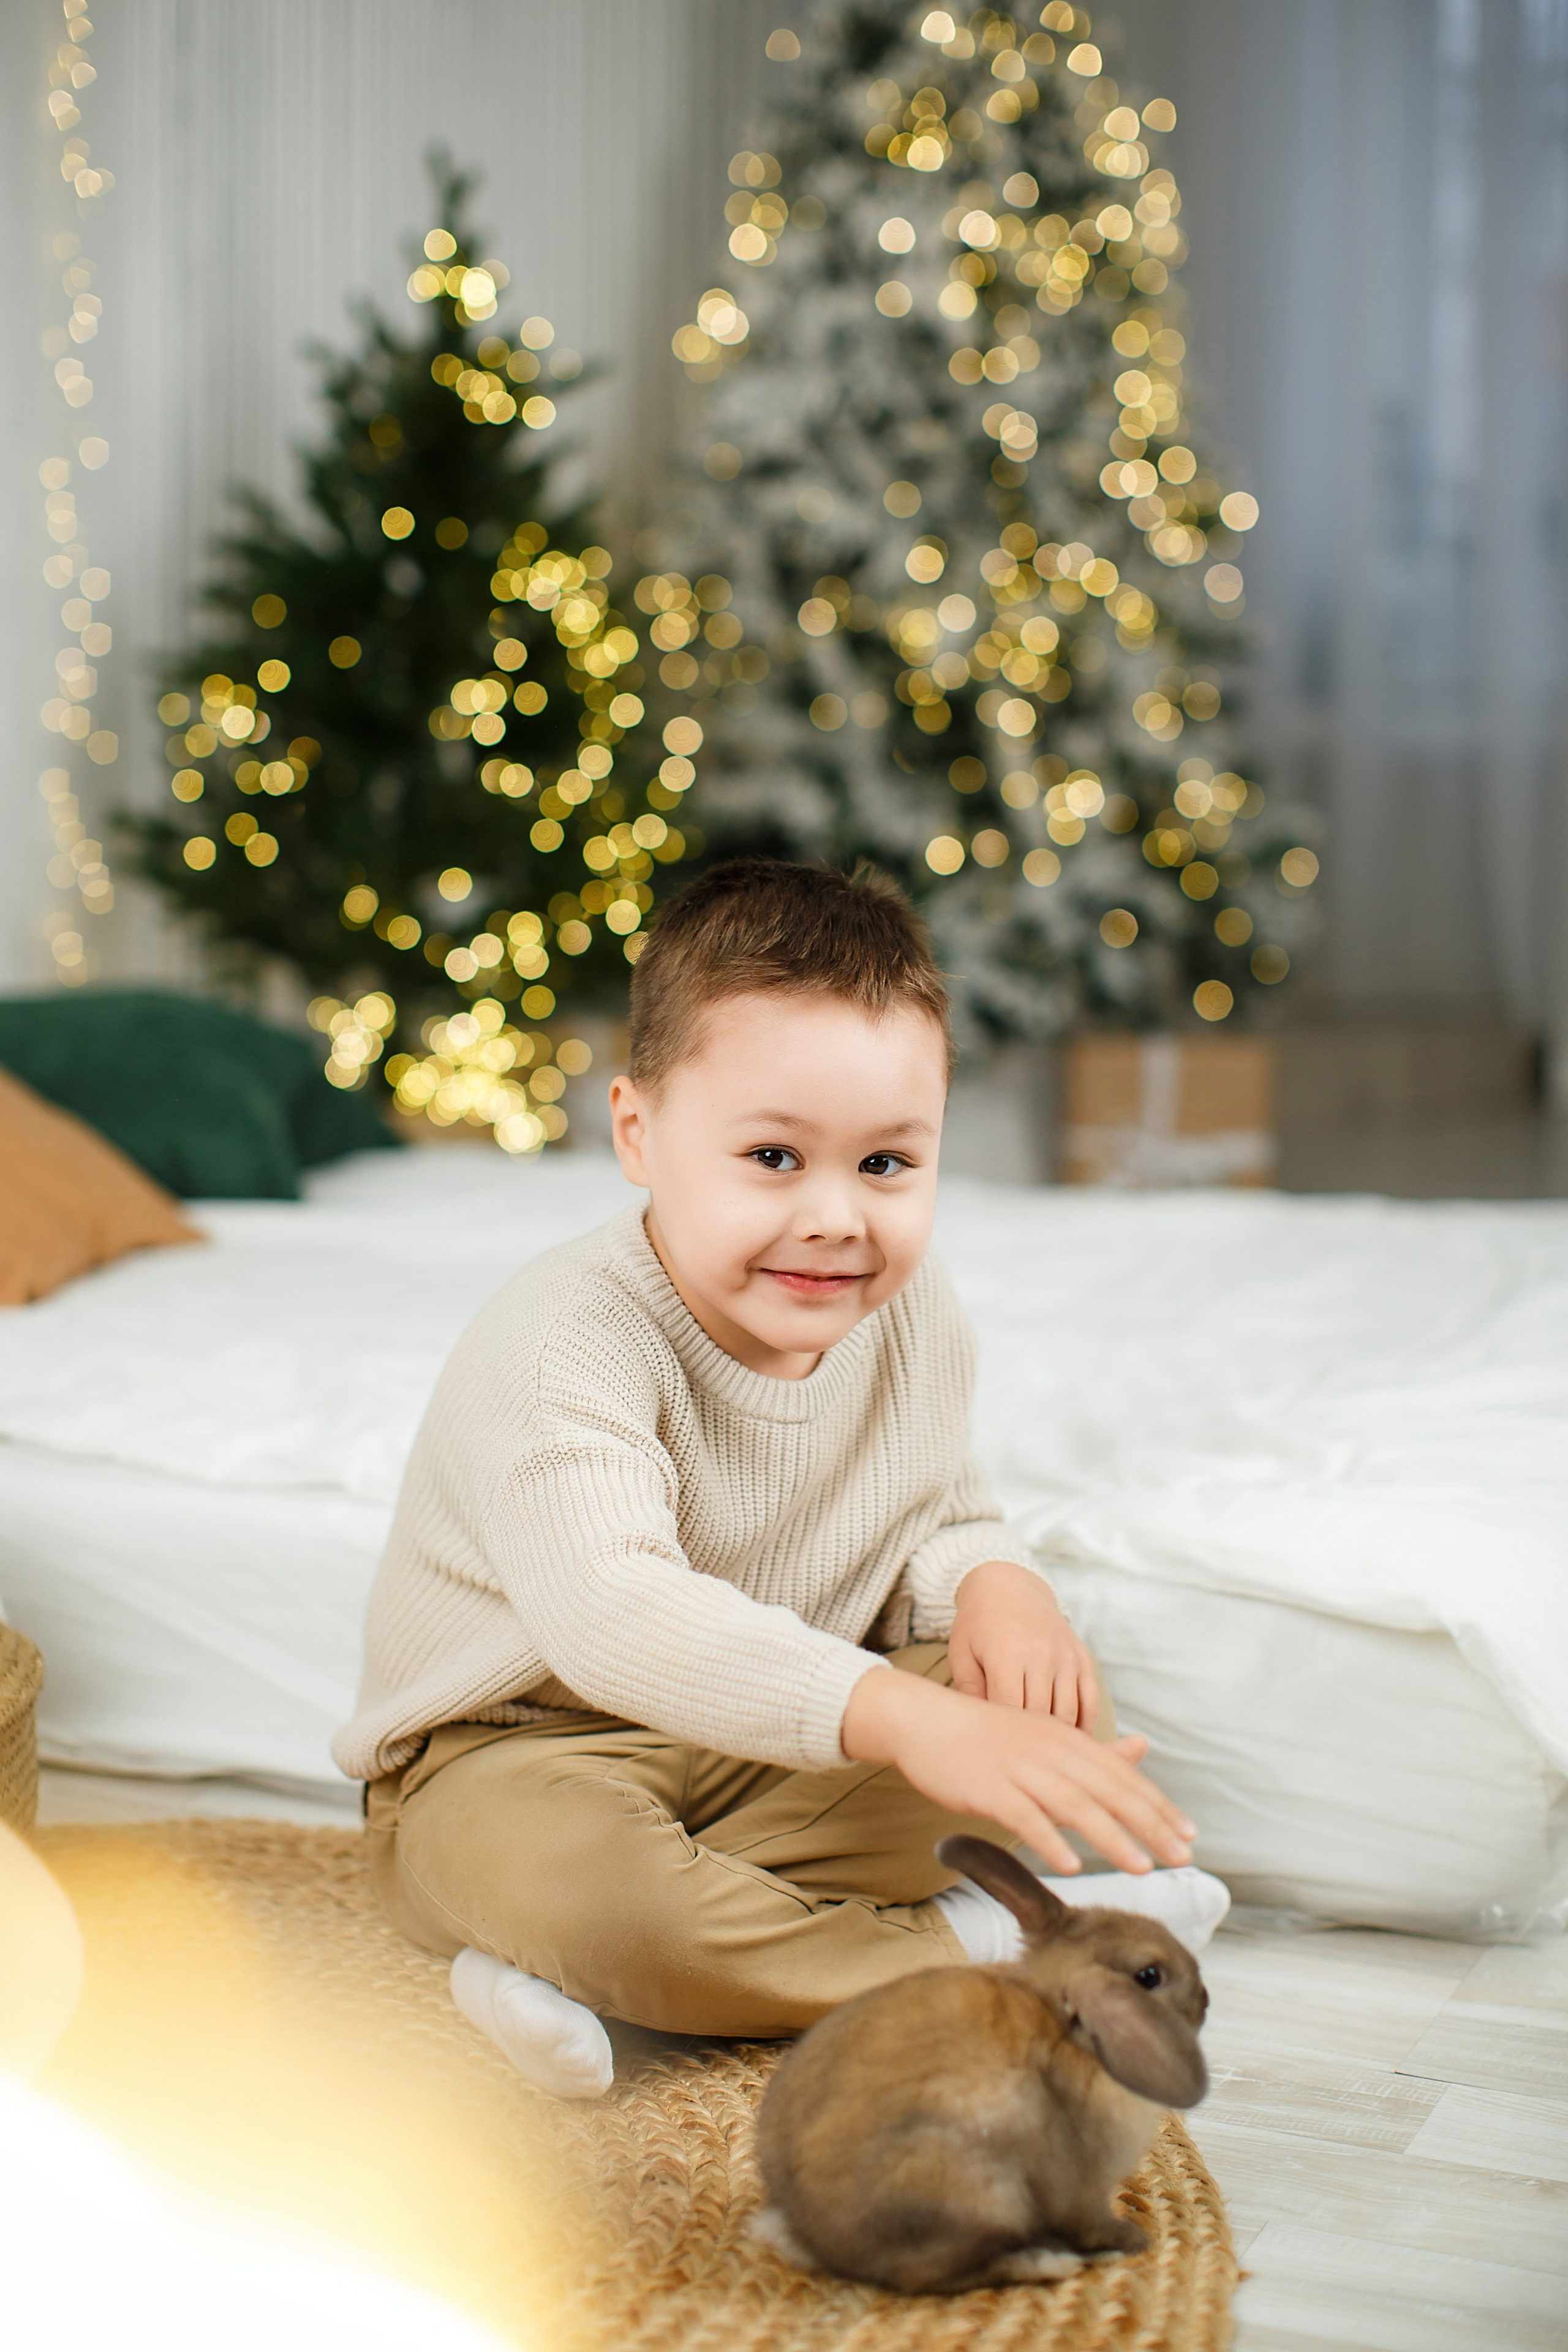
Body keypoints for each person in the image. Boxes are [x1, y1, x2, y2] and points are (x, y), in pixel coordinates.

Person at [334, 859, 1228, 2098]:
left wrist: (996, 1585)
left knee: (1035, 1716)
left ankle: (592, 1972)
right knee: (596, 1888)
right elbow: (614, 1617)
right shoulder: (566, 1342)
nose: (834, 1220)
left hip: (768, 1743)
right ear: (638, 1134)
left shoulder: (906, 1313)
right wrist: (909, 1720)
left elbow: (935, 1505)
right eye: (770, 1157)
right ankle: (986, 1951)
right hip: (520, 1757)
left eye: (884, 1166)